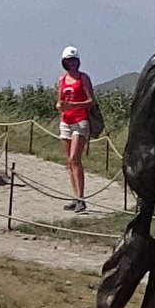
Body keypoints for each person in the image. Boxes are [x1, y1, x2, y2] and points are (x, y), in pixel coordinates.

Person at [56, 46, 97, 210]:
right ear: (64, 62)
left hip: (80, 120)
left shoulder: (83, 78)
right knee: (69, 161)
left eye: (73, 60)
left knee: (75, 158)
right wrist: (61, 106)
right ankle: (75, 196)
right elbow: (59, 101)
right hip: (66, 121)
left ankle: (81, 198)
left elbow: (91, 101)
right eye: (68, 61)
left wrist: (74, 105)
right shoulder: (62, 79)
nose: (71, 63)